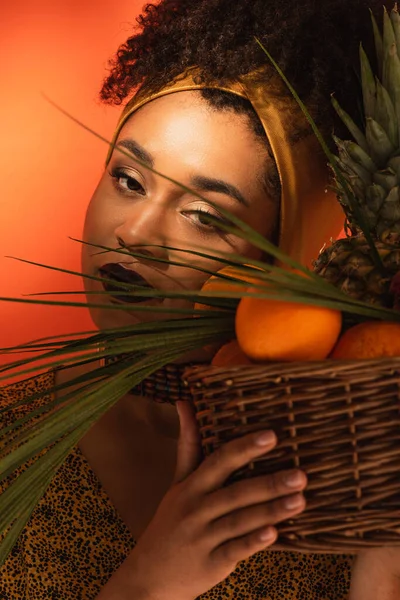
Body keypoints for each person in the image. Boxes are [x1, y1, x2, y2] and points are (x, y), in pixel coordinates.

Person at [0, 0, 399, 598]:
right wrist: (147, 586)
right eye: (128, 181)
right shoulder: (13, 435)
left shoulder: (349, 462)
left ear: (282, 258)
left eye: (204, 215)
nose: (135, 233)